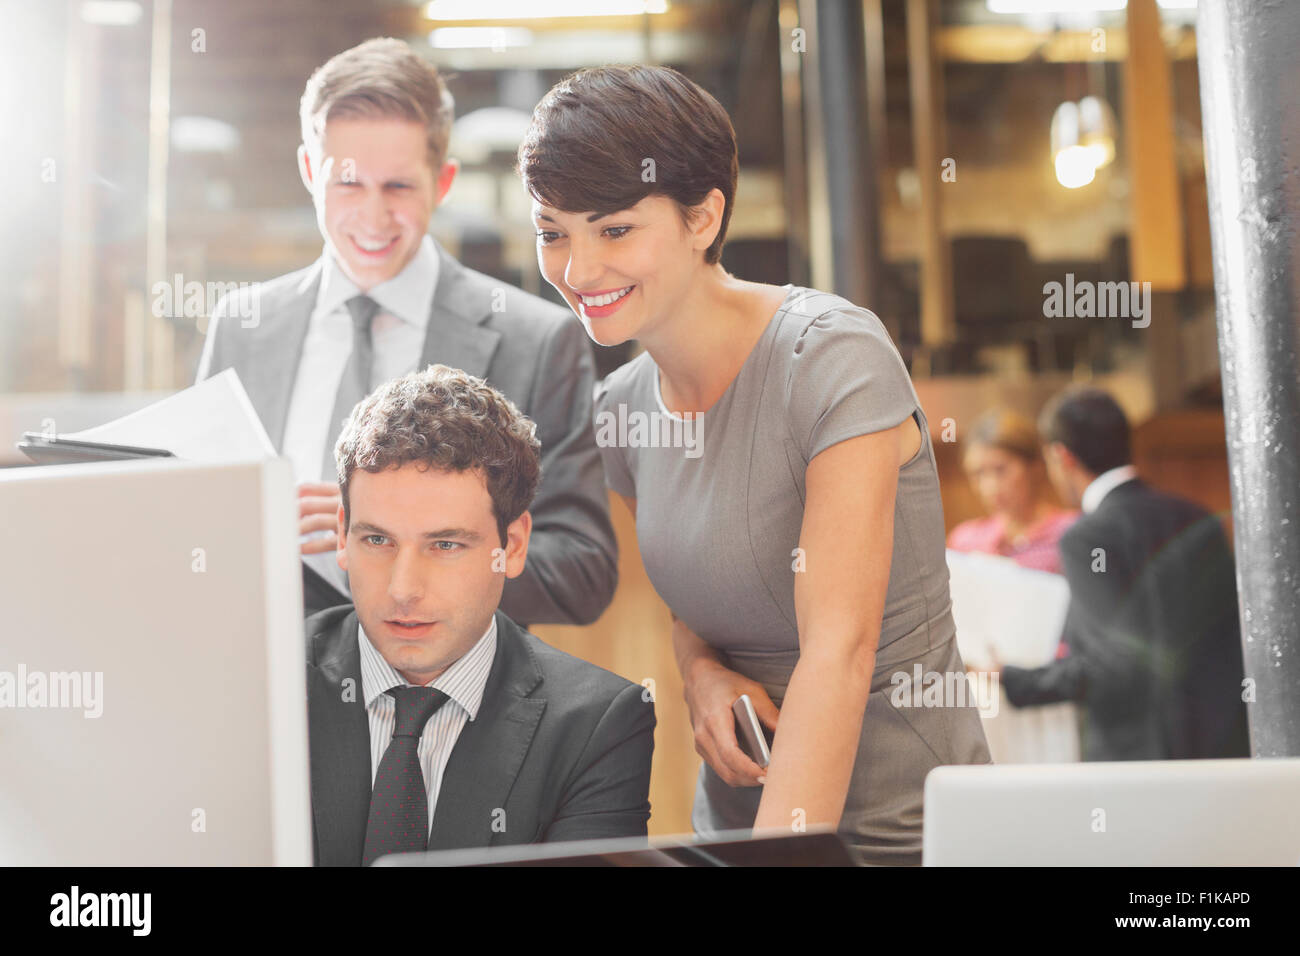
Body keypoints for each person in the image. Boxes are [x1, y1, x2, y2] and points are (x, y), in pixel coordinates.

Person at [517, 65, 991, 865]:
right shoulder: (625, 409)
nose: (579, 269)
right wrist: (701, 674)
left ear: (704, 217)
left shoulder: (831, 356)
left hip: (902, 832)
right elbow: (698, 596)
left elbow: (840, 646)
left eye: (615, 229)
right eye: (553, 231)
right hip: (739, 828)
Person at [195, 37, 616, 627]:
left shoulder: (538, 342)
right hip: (265, 683)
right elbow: (200, 532)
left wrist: (407, 553)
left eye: (398, 187)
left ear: (442, 182)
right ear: (310, 170)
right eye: (348, 184)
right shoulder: (241, 328)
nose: (372, 217)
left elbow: (582, 572)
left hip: (453, 707)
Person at [306, 364, 655, 866]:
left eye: (444, 544)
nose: (402, 590)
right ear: (342, 536)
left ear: (511, 546)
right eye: (377, 540)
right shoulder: (264, 686)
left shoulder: (596, 726)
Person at [997, 387, 1251, 760]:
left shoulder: (1087, 537)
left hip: (1136, 757)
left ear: (1061, 456)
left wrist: (1013, 679)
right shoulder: (1197, 518)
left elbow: (1115, 665)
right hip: (1221, 747)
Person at [948, 408, 1077, 575]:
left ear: (1035, 466)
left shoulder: (1070, 532)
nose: (989, 487)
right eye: (978, 473)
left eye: (1000, 470)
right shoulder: (965, 541)